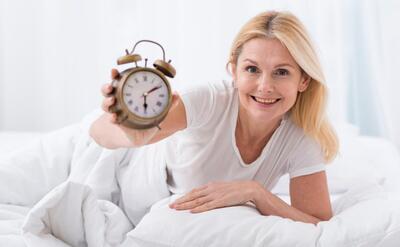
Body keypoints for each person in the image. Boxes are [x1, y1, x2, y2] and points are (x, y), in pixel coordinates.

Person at [90, 10, 338, 225]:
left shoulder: (301, 138)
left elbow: (318, 224)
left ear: (303, 80)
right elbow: (97, 131)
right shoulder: (209, 100)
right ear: (233, 70)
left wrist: (256, 193)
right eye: (252, 69)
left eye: (281, 72)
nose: (265, 86)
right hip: (130, 186)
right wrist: (131, 135)